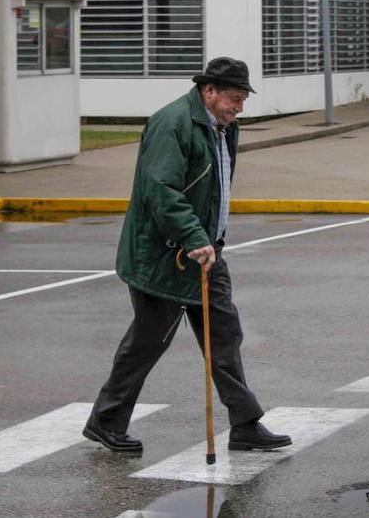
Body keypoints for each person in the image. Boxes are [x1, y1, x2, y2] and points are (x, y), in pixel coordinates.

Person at [84, 57, 291, 456]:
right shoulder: (172, 123)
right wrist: (195, 237)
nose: (239, 107)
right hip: (164, 254)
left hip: (204, 252)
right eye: (234, 98)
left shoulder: (222, 127)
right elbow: (161, 190)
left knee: (224, 335)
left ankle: (245, 423)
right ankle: (106, 420)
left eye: (242, 99)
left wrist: (208, 239)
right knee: (149, 340)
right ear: (208, 91)